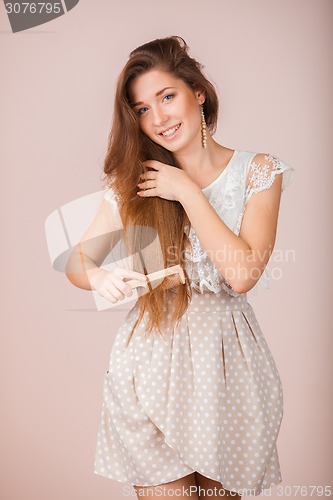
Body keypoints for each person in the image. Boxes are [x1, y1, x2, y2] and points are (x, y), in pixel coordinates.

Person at [65, 36, 294, 499]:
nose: (159, 118)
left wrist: (187, 190)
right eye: (143, 108)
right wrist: (101, 276)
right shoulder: (137, 181)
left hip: (228, 371)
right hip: (149, 367)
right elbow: (77, 262)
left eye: (167, 96)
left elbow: (243, 273)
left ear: (198, 92)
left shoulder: (258, 172)